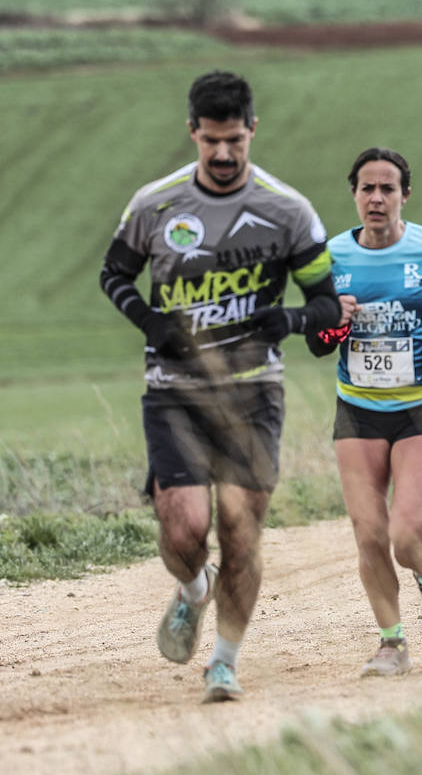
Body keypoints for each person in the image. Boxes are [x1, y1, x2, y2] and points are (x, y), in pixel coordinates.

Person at [98, 71, 341, 702]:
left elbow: (326, 304)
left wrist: (287, 318)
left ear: (253, 130)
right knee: (183, 530)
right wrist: (152, 323)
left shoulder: (289, 210)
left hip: (253, 389)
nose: (225, 154)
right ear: (192, 134)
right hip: (173, 388)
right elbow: (114, 274)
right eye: (212, 142)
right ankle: (191, 590)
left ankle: (225, 662)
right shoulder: (155, 203)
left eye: (235, 140)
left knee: (240, 530)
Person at [308, 148, 422, 677]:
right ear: (354, 195)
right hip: (358, 410)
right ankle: (392, 643)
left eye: (388, 189)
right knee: (368, 535)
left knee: (406, 537)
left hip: (421, 409)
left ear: (405, 195)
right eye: (367, 188)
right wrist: (335, 323)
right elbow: (318, 343)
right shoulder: (331, 256)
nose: (377, 198)